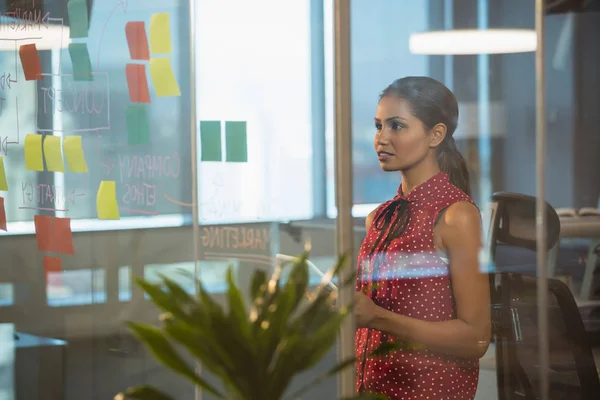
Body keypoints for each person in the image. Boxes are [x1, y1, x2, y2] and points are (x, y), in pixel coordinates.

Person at [354, 76, 491, 400]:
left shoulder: (456, 215)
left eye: (397, 126)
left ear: (436, 134)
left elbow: (476, 338)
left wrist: (378, 317)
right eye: (378, 126)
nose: (381, 139)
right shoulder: (380, 218)